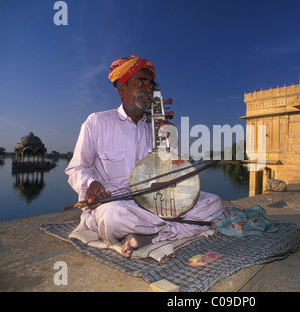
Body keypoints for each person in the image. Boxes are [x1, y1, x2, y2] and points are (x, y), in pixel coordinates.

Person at [65, 55, 224, 257]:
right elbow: (77, 167)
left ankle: (147, 235)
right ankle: (165, 230)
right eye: (141, 82)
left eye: (150, 84)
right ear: (122, 90)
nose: (148, 89)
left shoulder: (155, 128)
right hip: (116, 202)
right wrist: (91, 184)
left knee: (212, 203)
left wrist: (168, 142)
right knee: (112, 216)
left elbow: (175, 173)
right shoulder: (96, 122)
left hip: (154, 201)